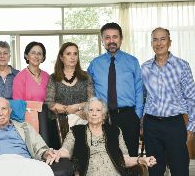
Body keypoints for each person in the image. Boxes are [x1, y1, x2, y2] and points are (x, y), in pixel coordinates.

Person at [52, 97, 156, 176]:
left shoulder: (115, 131)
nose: (94, 113)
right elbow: (65, 150)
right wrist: (57, 153)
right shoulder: (76, 131)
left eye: (98, 110)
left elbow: (124, 159)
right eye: (91, 110)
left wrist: (141, 160)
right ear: (86, 114)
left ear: (104, 115)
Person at [141, 27, 195, 176]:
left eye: (162, 39)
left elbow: (192, 97)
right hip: (151, 125)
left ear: (169, 42)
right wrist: (142, 123)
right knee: (155, 169)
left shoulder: (182, 66)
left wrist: (191, 127)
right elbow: (143, 98)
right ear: (151, 43)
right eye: (155, 39)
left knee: (180, 168)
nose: (159, 43)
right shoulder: (145, 68)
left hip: (175, 125)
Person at [87, 22, 143, 157]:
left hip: (128, 116)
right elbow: (89, 89)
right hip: (103, 117)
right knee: (105, 157)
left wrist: (137, 115)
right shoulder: (95, 64)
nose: (111, 41)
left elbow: (139, 89)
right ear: (102, 41)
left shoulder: (132, 61)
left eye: (115, 37)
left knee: (130, 157)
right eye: (107, 37)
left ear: (121, 39)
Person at [0, 97, 57, 176]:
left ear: (10, 111)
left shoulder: (25, 127)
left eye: (4, 108)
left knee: (39, 168)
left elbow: (39, 148)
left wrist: (46, 153)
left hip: (22, 163)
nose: (1, 113)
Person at [45, 42, 94, 149]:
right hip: (59, 125)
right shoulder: (53, 78)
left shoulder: (86, 77)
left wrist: (77, 108)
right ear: (61, 57)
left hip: (83, 122)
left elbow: (92, 101)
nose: (72, 57)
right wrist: (69, 110)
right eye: (68, 54)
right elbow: (50, 103)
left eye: (75, 54)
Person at [12, 41, 49, 131]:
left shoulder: (47, 76)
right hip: (27, 120)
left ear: (43, 57)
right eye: (33, 53)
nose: (36, 56)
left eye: (39, 54)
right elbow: (17, 105)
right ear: (26, 56)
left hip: (45, 118)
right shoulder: (20, 77)